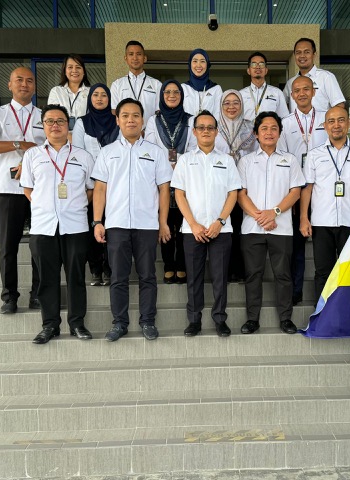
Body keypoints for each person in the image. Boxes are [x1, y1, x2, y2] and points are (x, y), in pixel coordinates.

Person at [91, 98, 172, 342]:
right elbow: (100, 189)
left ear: (143, 120)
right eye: (125, 116)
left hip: (147, 225)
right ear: (117, 120)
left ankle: (147, 321)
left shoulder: (156, 153)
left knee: (148, 275)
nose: (131, 120)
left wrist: (163, 222)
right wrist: (97, 221)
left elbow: (164, 189)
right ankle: (119, 323)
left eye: (136, 115)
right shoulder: (107, 152)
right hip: (116, 225)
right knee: (118, 277)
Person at [21, 105, 95, 344]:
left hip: (75, 226)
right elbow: (28, 189)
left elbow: (91, 190)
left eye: (60, 121)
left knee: (76, 278)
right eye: (50, 121)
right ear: (43, 125)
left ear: (67, 125)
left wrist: (75, 205)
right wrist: (45, 206)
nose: (55, 125)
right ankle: (50, 325)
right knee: (47, 279)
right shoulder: (32, 155)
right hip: (43, 227)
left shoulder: (83, 156)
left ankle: (77, 324)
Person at [0, 66, 43, 314]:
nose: (24, 84)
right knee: (8, 245)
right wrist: (18, 144)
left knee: (40, 243)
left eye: (29, 80)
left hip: (39, 189)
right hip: (9, 188)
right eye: (19, 80)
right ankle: (9, 297)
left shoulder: (43, 116)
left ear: (34, 86)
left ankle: (39, 294)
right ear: (10, 85)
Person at [171, 110, 242, 338]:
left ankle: (220, 319)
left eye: (210, 127)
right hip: (192, 230)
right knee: (194, 278)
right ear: (194, 132)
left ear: (216, 131)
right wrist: (193, 224)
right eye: (201, 127)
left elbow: (233, 193)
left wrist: (220, 221)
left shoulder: (226, 160)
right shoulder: (185, 160)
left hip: (221, 229)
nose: (206, 131)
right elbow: (179, 194)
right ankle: (194, 320)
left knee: (220, 278)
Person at [237, 112, 306, 335]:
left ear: (279, 133)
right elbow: (240, 194)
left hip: (281, 228)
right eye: (264, 128)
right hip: (252, 227)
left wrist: (274, 213)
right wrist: (261, 217)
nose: (269, 132)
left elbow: (295, 192)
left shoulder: (290, 160)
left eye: (274, 128)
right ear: (256, 134)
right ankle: (252, 319)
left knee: (283, 274)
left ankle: (286, 318)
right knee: (253, 274)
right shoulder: (246, 161)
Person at [300, 105, 350, 300]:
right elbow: (307, 188)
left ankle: (348, 314)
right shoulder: (314, 155)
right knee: (323, 272)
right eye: (331, 121)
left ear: (349, 123)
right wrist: (304, 218)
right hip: (322, 222)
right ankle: (322, 314)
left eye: (341, 120)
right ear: (325, 126)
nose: (336, 125)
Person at [277, 75, 328, 306]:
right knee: (296, 246)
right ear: (292, 95)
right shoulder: (286, 123)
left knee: (323, 243)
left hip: (323, 189)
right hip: (298, 189)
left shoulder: (326, 119)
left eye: (306, 89)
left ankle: (327, 289)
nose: (301, 94)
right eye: (296, 91)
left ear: (314, 91)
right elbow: (283, 158)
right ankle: (295, 291)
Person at [145, 79, 197, 286]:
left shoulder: (191, 119)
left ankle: (181, 264)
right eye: (167, 92)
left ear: (182, 96)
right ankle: (168, 265)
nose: (172, 95)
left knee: (183, 222)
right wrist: (167, 167)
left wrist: (179, 166)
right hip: (161, 178)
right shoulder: (153, 121)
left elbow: (193, 148)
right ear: (162, 95)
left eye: (176, 92)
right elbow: (151, 147)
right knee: (165, 221)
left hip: (186, 178)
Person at [72, 83, 120, 286]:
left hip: (114, 184)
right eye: (96, 95)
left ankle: (110, 269)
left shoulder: (117, 121)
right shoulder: (82, 123)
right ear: (90, 98)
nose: (100, 98)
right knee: (93, 225)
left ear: (109, 99)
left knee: (112, 227)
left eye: (104, 95)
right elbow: (77, 152)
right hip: (91, 184)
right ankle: (95, 269)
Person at [215, 90, 257, 283]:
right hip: (221, 185)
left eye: (235, 103)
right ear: (221, 105)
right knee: (225, 230)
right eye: (227, 103)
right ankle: (224, 270)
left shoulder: (251, 127)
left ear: (242, 105)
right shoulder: (214, 127)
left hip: (244, 185)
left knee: (241, 229)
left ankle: (240, 270)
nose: (231, 107)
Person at [283, 38, 346, 113]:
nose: (302, 56)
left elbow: (339, 106)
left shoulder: (326, 77)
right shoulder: (290, 83)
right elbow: (281, 106)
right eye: (298, 52)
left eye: (307, 52)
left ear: (314, 55)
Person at [110, 40, 162, 126]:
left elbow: (159, 112)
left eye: (139, 54)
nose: (135, 58)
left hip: (149, 132)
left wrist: (147, 130)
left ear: (144, 58)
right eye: (131, 54)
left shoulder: (156, 84)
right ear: (126, 58)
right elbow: (114, 112)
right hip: (125, 132)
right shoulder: (117, 85)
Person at [239, 52, 289, 123]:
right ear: (248, 71)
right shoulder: (240, 94)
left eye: (261, 64)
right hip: (247, 130)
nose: (258, 67)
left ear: (266, 70)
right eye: (254, 64)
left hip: (269, 130)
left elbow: (284, 119)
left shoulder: (277, 93)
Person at [47, 54, 91, 134]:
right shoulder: (56, 91)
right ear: (65, 71)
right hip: (61, 137)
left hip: (85, 136)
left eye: (78, 67)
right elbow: (52, 117)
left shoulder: (91, 92)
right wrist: (67, 136)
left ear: (83, 71)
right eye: (70, 67)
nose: (74, 70)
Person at [182, 49, 222, 119]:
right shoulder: (183, 88)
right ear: (190, 64)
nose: (198, 65)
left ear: (207, 65)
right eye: (195, 61)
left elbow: (218, 116)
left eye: (202, 61)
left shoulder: (216, 89)